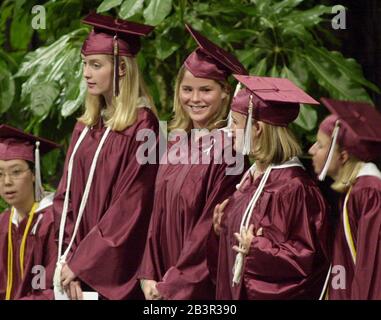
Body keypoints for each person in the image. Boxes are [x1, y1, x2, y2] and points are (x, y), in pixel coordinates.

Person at [52, 12, 159, 300]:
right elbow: (66, 198)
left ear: (121, 69)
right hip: (73, 268)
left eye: (96, 65)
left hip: (112, 269)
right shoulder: (85, 126)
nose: (86, 73)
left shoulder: (143, 125)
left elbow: (131, 205)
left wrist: (83, 264)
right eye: (85, 64)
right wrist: (67, 259)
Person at [138, 24, 249, 300]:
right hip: (161, 281)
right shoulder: (175, 142)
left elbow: (209, 230)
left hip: (198, 288)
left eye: (205, 90)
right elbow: (156, 214)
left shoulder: (230, 150)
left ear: (225, 93)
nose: (195, 99)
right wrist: (148, 274)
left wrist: (174, 285)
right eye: (187, 89)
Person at [213, 75, 330, 299]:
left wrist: (257, 249)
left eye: (235, 123)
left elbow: (306, 260)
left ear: (256, 128)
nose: (229, 131)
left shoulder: (294, 189)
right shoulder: (251, 178)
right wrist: (223, 228)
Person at [309, 98, 381, 300]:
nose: (311, 150)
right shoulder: (353, 191)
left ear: (343, 156)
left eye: (320, 145)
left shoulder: (369, 192)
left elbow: (372, 270)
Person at [0, 124, 59, 300]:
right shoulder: (4, 223)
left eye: (16, 172)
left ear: (34, 174)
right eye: (0, 174)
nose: (7, 182)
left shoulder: (53, 220)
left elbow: (55, 288)